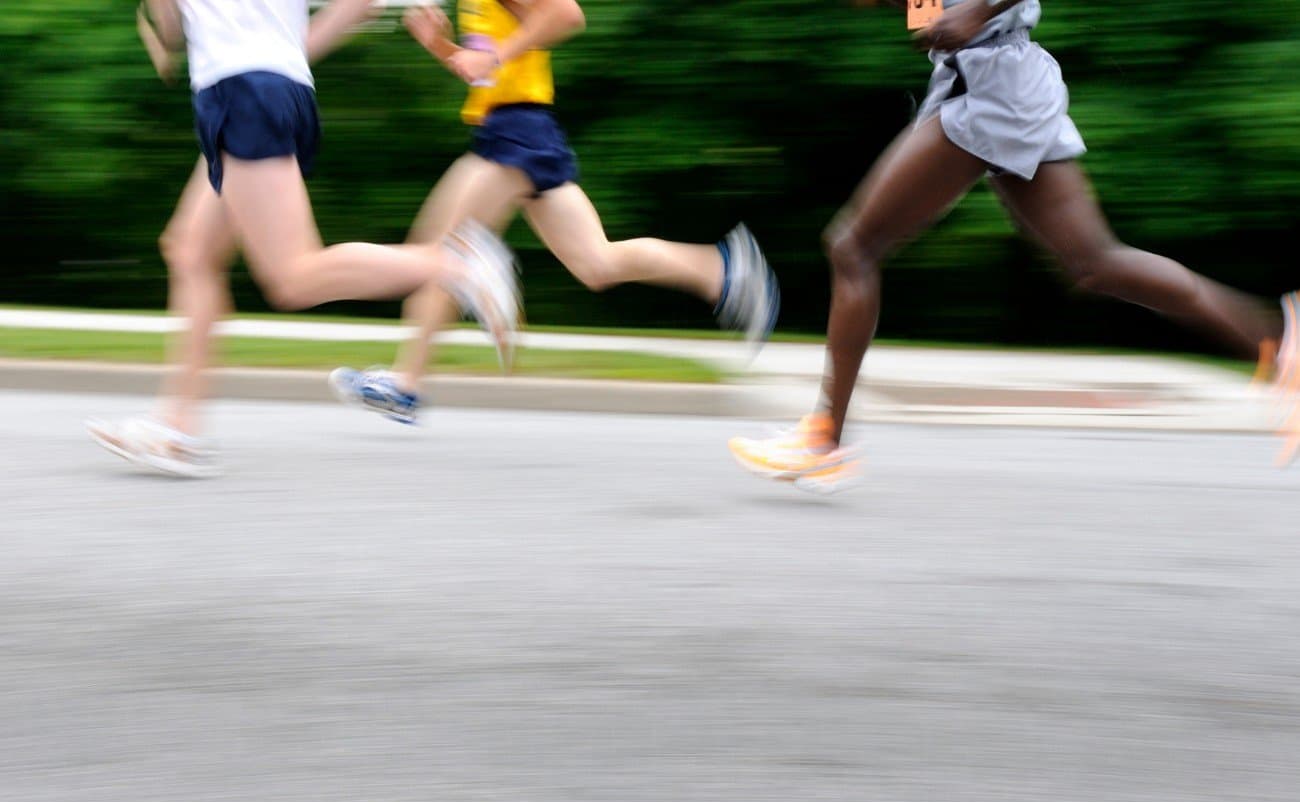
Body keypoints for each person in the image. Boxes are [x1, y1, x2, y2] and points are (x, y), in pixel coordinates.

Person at [728, 0, 1297, 493]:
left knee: (853, 248)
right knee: (1096, 264)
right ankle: (1279, 338)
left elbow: (969, 12)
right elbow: (926, 14)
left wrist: (978, 10)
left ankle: (824, 438)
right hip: (999, 81)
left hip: (996, 86)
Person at [87, 0, 521, 476]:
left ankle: (458, 265)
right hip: (263, 87)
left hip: (243, 91)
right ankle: (176, 427)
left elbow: (171, 27)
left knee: (293, 275)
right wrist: (283, 56)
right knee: (192, 251)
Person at [327, 0, 780, 424]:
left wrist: (495, 55)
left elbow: (564, 13)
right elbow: (487, 68)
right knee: (598, 263)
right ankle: (725, 271)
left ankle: (410, 378)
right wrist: (442, 47)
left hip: (515, 134)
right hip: (519, 130)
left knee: (437, 251)